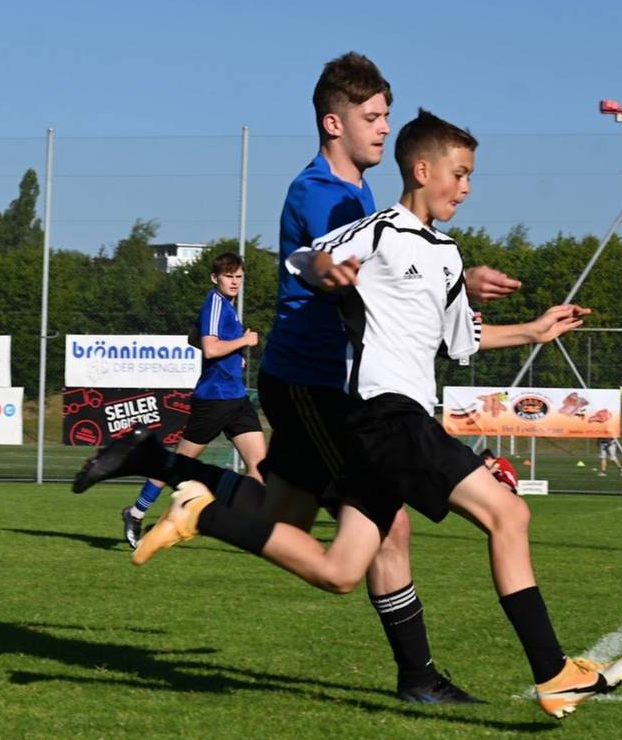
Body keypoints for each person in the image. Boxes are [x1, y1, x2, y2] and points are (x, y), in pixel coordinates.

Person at [127, 109, 622, 720]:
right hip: (387, 416)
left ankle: (206, 515)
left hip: (390, 425)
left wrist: (533, 330)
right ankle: (554, 672)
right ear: (423, 170)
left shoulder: (448, 254)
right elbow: (307, 259)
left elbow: (462, 343)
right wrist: (325, 269)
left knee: (341, 569)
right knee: (509, 513)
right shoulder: (379, 231)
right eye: (461, 173)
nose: (468, 186)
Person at [77, 53, 520, 704]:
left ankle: (153, 460)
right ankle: (417, 675)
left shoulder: (358, 191)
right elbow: (323, 258)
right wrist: (424, 278)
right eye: (370, 117)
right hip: (314, 385)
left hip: (308, 383)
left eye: (386, 116)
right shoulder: (324, 192)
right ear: (331, 122)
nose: (381, 129)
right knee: (380, 525)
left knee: (275, 511)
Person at [121, 252, 266, 548]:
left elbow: (195, 338)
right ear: (215, 278)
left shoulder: (227, 307)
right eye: (229, 276)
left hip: (236, 398)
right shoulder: (214, 302)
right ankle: (135, 513)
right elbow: (210, 349)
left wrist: (234, 357)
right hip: (214, 400)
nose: (235, 281)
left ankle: (254, 528)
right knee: (177, 463)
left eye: (239, 276)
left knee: (260, 465)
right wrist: (243, 342)